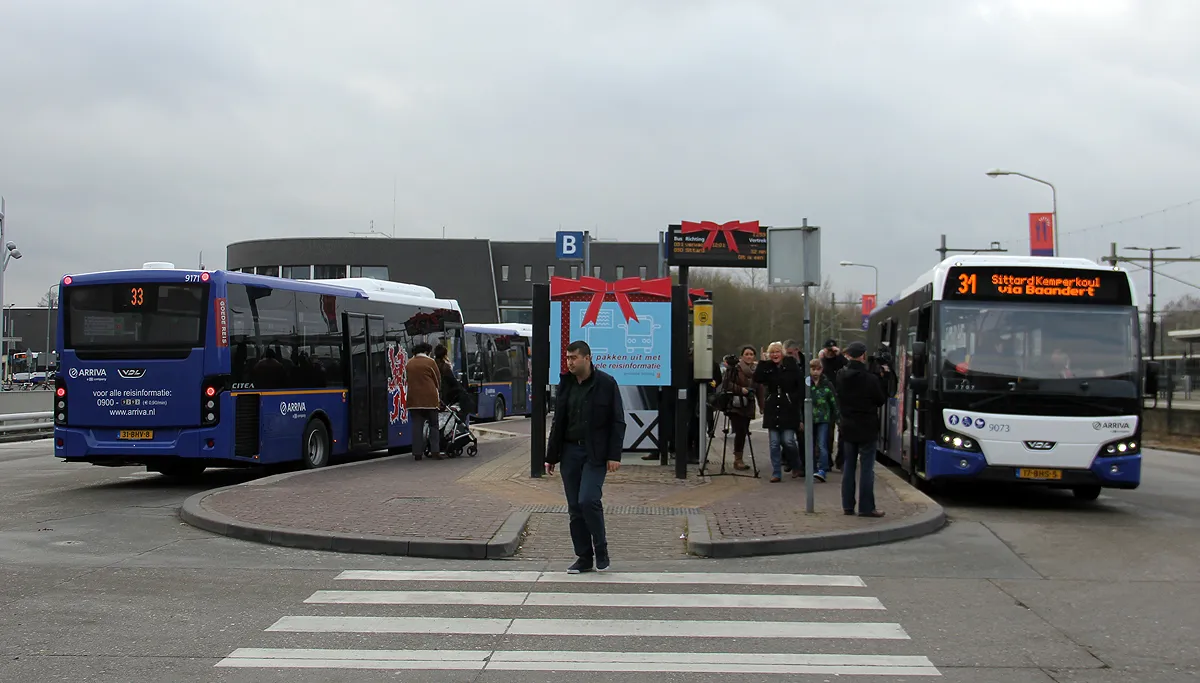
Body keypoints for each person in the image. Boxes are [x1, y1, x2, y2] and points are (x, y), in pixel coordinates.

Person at [545, 340, 626, 573]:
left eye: (574, 358)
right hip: (570, 451)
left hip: (595, 452)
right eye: (567, 358)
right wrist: (551, 456)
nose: (569, 362)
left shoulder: (606, 384)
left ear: (587, 358)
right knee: (574, 507)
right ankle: (584, 557)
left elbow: (617, 421)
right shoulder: (566, 384)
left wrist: (614, 455)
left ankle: (601, 550)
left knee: (588, 500)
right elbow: (558, 422)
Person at [834, 341, 887, 517]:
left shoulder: (841, 376)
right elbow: (880, 399)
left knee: (849, 466)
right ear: (863, 356)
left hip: (848, 426)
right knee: (866, 468)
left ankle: (847, 505)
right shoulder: (870, 378)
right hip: (867, 426)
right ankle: (866, 507)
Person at [754, 341, 804, 482]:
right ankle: (776, 472)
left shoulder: (791, 365)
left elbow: (799, 385)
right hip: (772, 408)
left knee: (788, 441)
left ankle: (796, 465)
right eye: (772, 352)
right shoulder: (768, 367)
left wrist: (793, 399)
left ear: (781, 353)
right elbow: (758, 378)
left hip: (788, 409)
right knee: (774, 443)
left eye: (777, 352)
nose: (775, 355)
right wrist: (762, 363)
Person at [718, 345, 760, 471]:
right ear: (742, 356)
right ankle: (738, 459)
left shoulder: (756, 371)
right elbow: (726, 384)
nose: (749, 356)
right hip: (735, 404)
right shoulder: (735, 369)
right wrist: (741, 389)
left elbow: (760, 388)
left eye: (751, 354)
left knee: (744, 431)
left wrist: (762, 406)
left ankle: (739, 457)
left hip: (749, 404)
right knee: (740, 430)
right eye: (746, 354)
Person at [407, 342, 442, 461]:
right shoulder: (430, 362)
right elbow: (437, 380)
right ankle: (435, 451)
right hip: (430, 399)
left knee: (417, 426)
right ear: (427, 351)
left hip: (413, 399)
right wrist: (438, 391)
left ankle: (417, 453)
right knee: (433, 425)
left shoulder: (409, 363)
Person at [807, 358, 839, 482]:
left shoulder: (827, 384)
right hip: (810, 419)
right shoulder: (807, 384)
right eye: (813, 369)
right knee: (811, 444)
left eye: (818, 369)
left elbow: (833, 402)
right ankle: (813, 468)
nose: (815, 372)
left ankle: (823, 469)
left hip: (823, 419)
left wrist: (836, 418)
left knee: (822, 444)